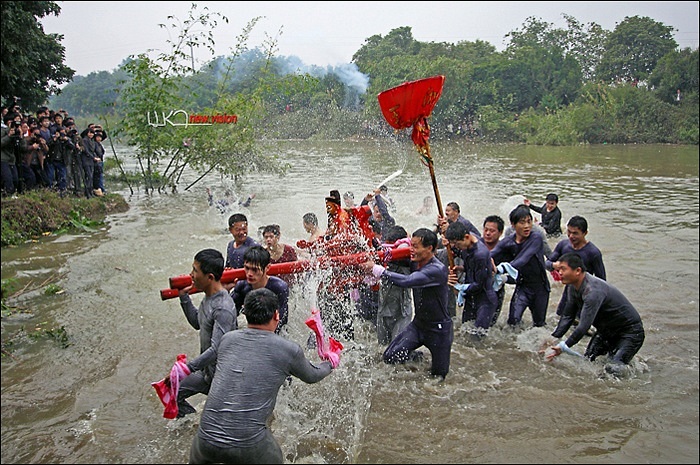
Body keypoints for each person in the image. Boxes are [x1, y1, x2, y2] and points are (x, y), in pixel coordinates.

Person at [189, 288, 336, 464]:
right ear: (276, 315)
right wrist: (331, 362)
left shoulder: (228, 339)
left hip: (205, 442)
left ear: (245, 311)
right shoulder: (288, 349)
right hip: (249, 445)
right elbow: (313, 375)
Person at [364, 228, 453, 379]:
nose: (411, 250)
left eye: (416, 246)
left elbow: (407, 281)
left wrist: (378, 270)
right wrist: (371, 240)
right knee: (390, 356)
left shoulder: (436, 269)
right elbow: (389, 254)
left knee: (438, 376)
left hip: (439, 330)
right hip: (419, 325)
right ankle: (417, 358)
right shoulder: (415, 261)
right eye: (411, 245)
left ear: (429, 248)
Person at [543, 253, 645, 376]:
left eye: (563, 269)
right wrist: (553, 339)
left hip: (630, 332)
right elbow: (568, 316)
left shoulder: (592, 292)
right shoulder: (572, 287)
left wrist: (564, 346)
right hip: (605, 332)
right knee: (588, 361)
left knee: (614, 367)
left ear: (577, 271)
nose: (560, 273)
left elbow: (583, 327)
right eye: (558, 270)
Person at [175, 248, 236, 418]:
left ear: (209, 277)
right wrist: (184, 298)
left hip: (224, 380)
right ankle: (190, 430)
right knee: (173, 393)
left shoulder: (223, 307)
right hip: (207, 373)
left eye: (195, 270)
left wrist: (187, 368)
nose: (191, 275)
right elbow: (197, 323)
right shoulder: (208, 298)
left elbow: (216, 349)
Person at [490, 205, 550, 328]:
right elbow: (489, 255)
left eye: (529, 221)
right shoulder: (508, 242)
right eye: (522, 223)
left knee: (539, 325)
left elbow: (523, 259)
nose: (527, 226)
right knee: (512, 321)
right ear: (513, 224)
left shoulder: (536, 238)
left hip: (540, 288)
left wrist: (501, 269)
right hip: (522, 286)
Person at [445, 221, 498, 339]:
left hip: (485, 300)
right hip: (471, 298)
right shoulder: (467, 246)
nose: (457, 247)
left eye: (457, 244)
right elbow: (471, 267)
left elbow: (479, 284)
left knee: (477, 337)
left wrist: (459, 287)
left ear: (467, 237)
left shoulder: (481, 254)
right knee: (464, 333)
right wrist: (461, 268)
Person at [546, 215, 606, 316]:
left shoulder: (593, 253)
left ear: (585, 233)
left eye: (575, 233)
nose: (571, 236)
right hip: (569, 289)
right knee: (560, 316)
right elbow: (546, 263)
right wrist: (554, 265)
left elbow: (602, 280)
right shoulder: (564, 246)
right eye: (569, 232)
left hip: (585, 293)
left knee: (579, 322)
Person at [230, 246, 290, 334]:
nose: (249, 274)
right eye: (247, 268)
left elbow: (282, 320)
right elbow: (230, 314)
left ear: (267, 268)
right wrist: (225, 290)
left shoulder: (279, 287)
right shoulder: (242, 287)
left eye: (255, 270)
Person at [375, 225, 413, 344]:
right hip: (384, 308)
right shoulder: (383, 255)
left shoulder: (409, 258)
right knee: (382, 345)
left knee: (397, 347)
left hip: (402, 310)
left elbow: (403, 260)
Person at [481, 215, 507, 326]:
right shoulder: (477, 245)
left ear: (500, 233)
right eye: (486, 230)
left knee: (490, 325)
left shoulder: (505, 249)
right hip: (477, 288)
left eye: (492, 231)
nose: (487, 233)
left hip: (496, 291)